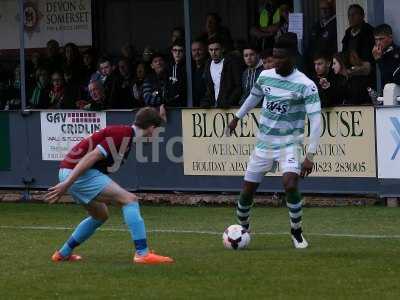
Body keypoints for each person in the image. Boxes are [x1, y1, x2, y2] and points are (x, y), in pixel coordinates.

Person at [45, 107, 174, 264]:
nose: (156, 134)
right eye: (156, 130)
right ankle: (142, 254)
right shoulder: (123, 135)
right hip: (76, 173)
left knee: (100, 215)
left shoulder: (127, 135)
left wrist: (160, 120)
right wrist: (66, 184)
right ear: (152, 128)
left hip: (71, 172)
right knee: (130, 200)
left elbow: (91, 157)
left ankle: (63, 253)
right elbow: (91, 157)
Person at [227, 34, 322, 249]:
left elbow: (316, 120)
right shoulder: (265, 76)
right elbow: (253, 97)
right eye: (273, 57)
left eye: (280, 58)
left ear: (291, 58)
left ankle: (296, 232)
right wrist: (237, 117)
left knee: (290, 183)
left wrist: (310, 155)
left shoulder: (305, 84)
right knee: (247, 191)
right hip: (264, 143)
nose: (275, 62)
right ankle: (242, 230)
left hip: (290, 143)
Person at [202, 37, 242, 108]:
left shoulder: (231, 63)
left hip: (229, 108)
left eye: (216, 49)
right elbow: (209, 87)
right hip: (213, 107)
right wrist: (207, 101)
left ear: (223, 49)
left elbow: (238, 86)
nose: (213, 52)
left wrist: (229, 102)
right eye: (211, 50)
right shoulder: (208, 64)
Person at [191, 39, 208, 107]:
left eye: (199, 50)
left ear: (205, 50)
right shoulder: (189, 68)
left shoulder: (210, 66)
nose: (196, 53)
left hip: (207, 106)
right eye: (194, 50)